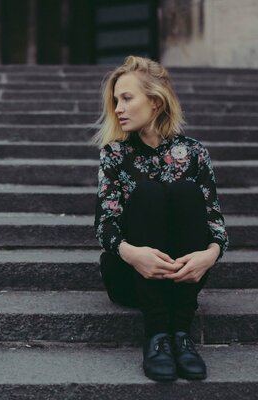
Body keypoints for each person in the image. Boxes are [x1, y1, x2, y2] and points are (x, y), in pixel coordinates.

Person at [93, 55, 229, 382]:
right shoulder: (115, 153)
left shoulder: (194, 152)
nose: (118, 108)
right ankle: (156, 336)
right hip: (130, 276)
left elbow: (216, 227)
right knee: (149, 193)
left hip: (183, 276)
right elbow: (105, 225)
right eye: (115, 100)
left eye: (127, 98)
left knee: (184, 192)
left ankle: (181, 334)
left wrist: (208, 256)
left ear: (154, 101)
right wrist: (133, 254)